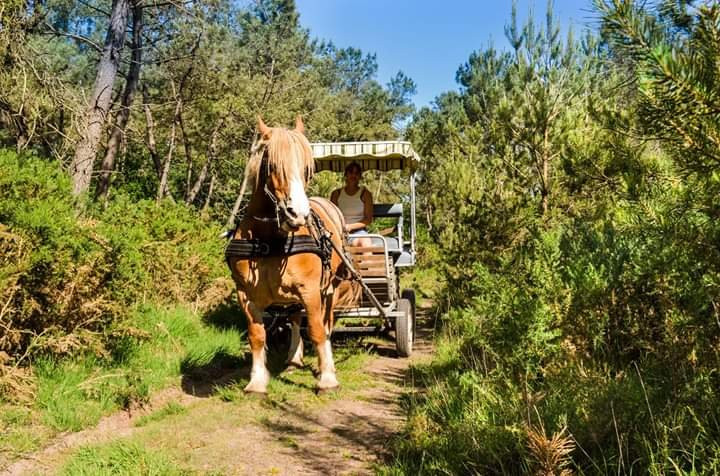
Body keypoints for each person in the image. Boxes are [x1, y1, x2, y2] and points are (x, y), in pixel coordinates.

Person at [330, 162, 373, 247]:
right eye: (351, 172)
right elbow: (332, 216)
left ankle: (367, 260)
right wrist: (342, 228)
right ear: (346, 175)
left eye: (356, 173)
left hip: (359, 232)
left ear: (360, 176)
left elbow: (368, 220)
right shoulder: (336, 194)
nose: (353, 176)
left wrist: (350, 227)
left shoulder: (365, 194)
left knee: (366, 243)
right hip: (340, 231)